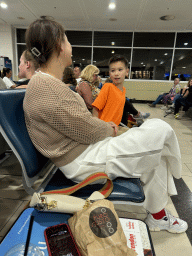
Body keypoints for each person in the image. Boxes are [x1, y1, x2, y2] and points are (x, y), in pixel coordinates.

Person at [23, 18, 188, 234]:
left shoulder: (46, 84)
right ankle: (175, 175)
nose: (71, 47)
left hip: (86, 152)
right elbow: (88, 129)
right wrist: (110, 129)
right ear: (58, 45)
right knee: (160, 129)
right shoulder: (46, 87)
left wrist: (108, 129)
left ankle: (158, 215)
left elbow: (81, 125)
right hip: (83, 160)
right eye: (67, 40)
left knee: (155, 148)